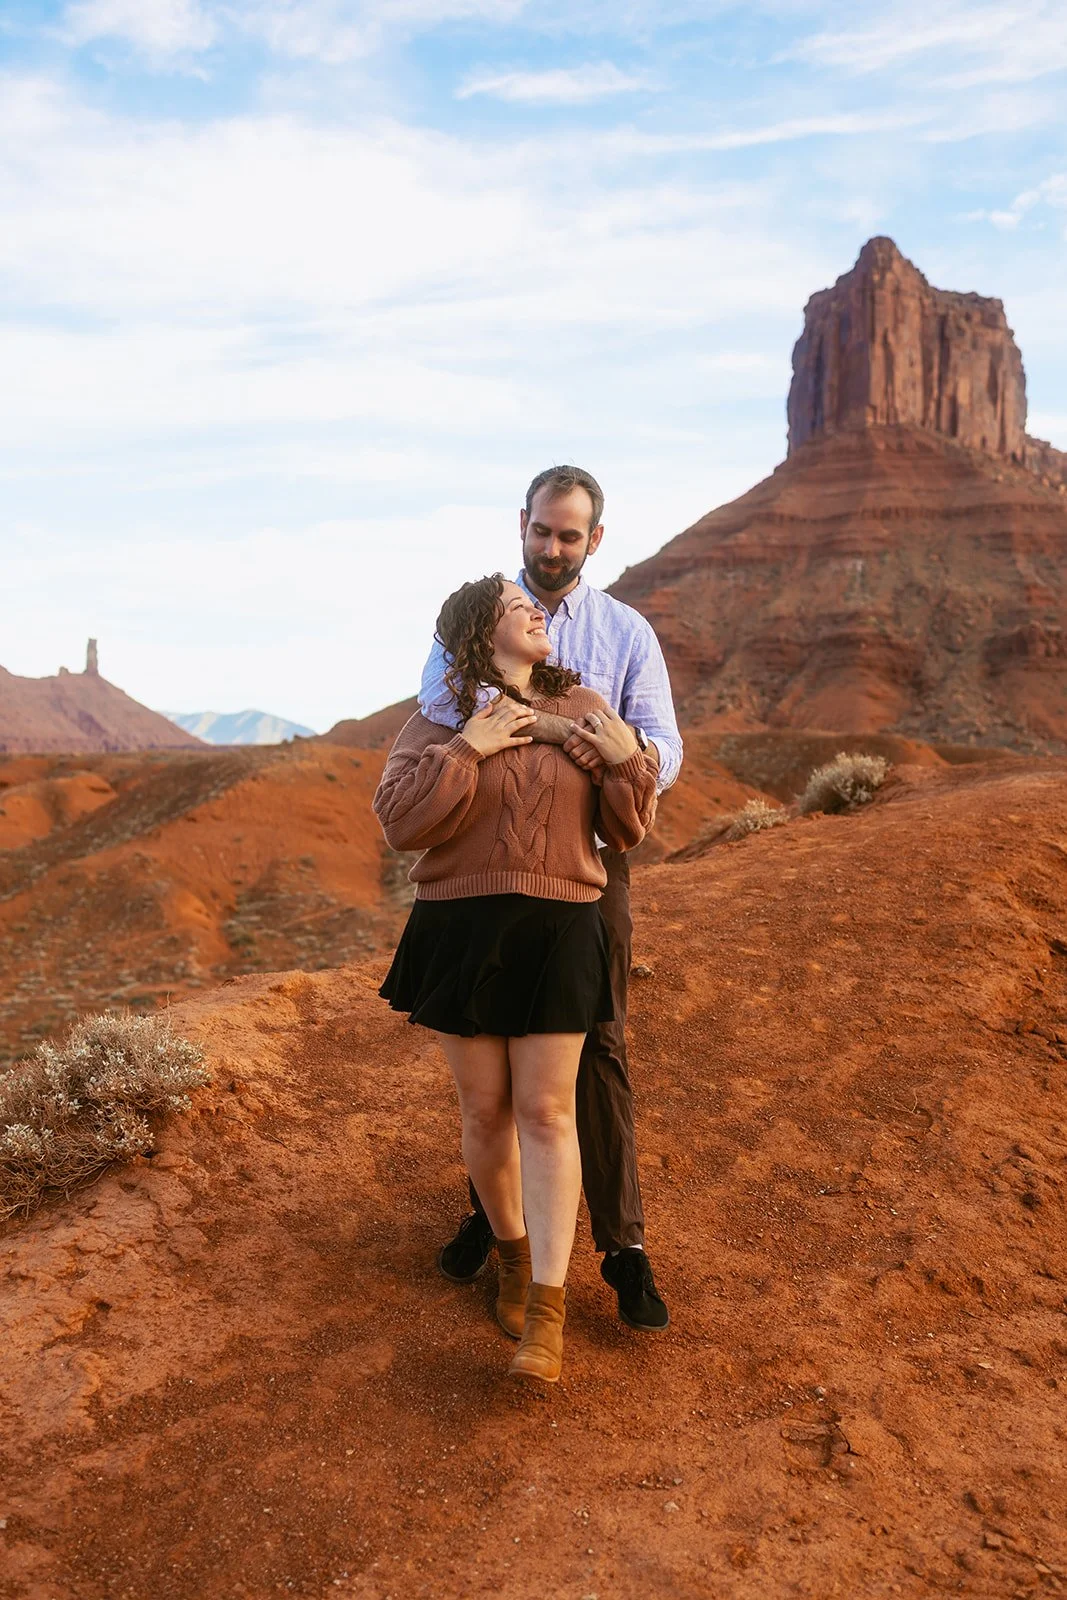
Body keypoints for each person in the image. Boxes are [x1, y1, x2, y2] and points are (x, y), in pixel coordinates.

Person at [419, 464, 683, 1333]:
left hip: (586, 860)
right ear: (521, 525)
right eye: (541, 530)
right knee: (494, 1056)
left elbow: (663, 745)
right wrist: (559, 728)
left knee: (592, 1044)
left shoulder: (624, 632)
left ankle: (622, 1244)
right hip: (488, 864)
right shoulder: (478, 617)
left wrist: (620, 755)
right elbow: (440, 706)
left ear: (593, 540)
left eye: (570, 535)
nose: (552, 548)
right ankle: (502, 1224)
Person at [374, 575, 656, 1383]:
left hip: (560, 925)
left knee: (545, 1110)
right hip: (460, 926)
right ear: (478, 630)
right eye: (514, 606)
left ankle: (546, 1308)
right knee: (485, 1110)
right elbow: (398, 821)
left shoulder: (585, 707)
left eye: (531, 607)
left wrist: (623, 762)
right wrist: (470, 748)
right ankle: (510, 1255)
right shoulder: (438, 720)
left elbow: (628, 828)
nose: (535, 610)